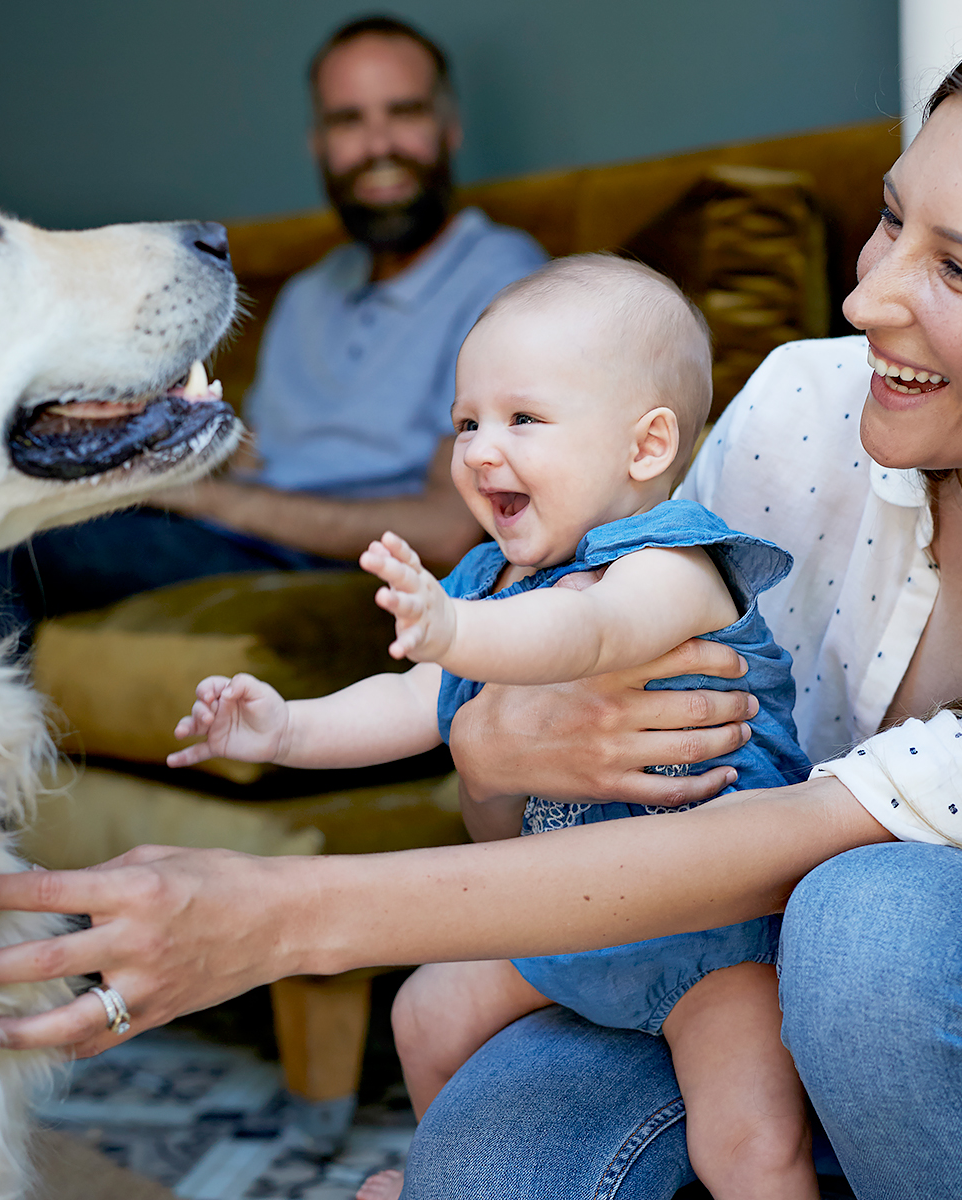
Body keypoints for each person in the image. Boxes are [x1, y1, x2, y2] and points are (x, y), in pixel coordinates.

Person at [0, 15, 962, 1199]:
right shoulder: (798, 413)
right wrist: (495, 746)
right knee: (488, 1161)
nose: (865, 291)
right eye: (894, 219)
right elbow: (569, 800)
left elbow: (784, 842)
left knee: (876, 929)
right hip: (751, 993)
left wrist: (272, 915)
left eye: (960, 270)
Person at [168, 257, 815, 1200]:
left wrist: (462, 632)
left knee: (749, 1150)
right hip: (565, 920)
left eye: (523, 420)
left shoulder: (675, 561)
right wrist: (282, 732)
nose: (476, 449)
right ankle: (436, 1180)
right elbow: (410, 703)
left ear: (644, 448)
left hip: (710, 939)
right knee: (426, 1015)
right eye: (467, 421)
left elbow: (590, 631)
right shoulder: (494, 579)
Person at [0, 15, 545, 645]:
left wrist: (201, 500)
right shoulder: (308, 294)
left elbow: (450, 528)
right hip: (233, 537)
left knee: (11, 551)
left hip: (333, 564)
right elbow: (256, 455)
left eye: (405, 112)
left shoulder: (505, 280)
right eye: (348, 121)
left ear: (449, 129)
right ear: (318, 144)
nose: (377, 144)